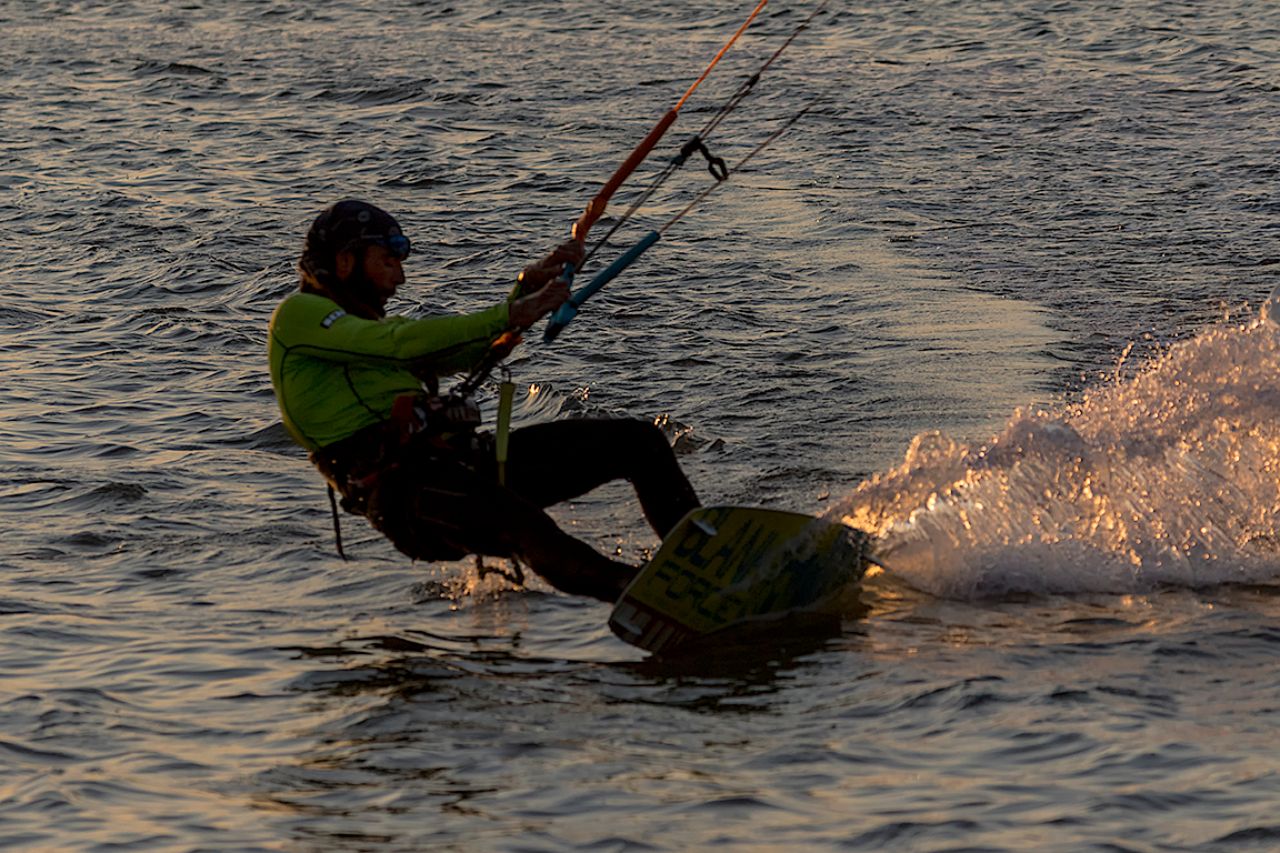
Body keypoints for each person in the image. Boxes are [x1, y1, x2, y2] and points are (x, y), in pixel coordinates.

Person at [267, 199, 701, 602]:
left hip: (462, 463)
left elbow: (469, 351)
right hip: (407, 495)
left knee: (636, 442)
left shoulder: (365, 335)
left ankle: (705, 557)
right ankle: (657, 598)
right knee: (527, 528)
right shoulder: (299, 317)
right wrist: (512, 313)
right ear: (345, 261)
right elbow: (399, 343)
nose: (400, 277)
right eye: (388, 261)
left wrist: (525, 290)